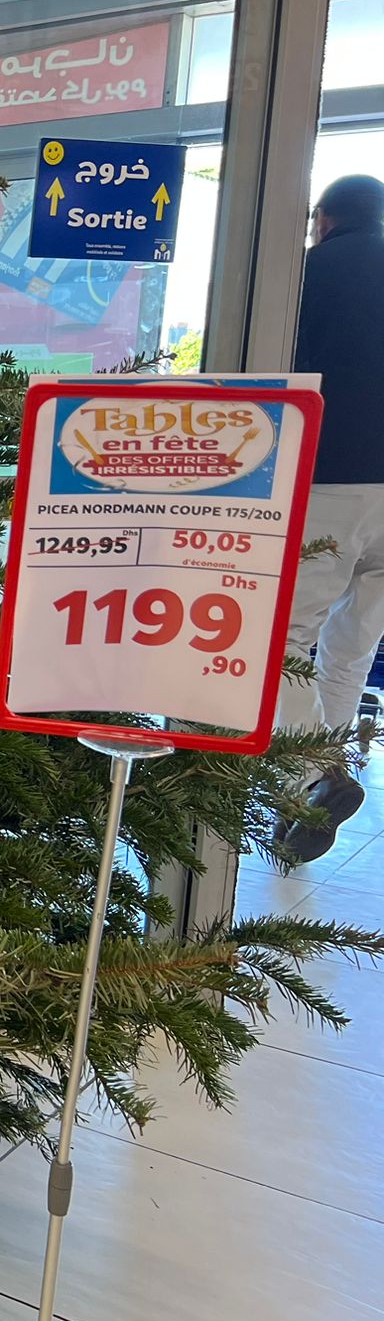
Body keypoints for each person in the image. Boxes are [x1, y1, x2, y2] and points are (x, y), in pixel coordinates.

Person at [277, 173, 384, 860]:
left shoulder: (307, 273)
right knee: (353, 644)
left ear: (323, 219)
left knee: (286, 640)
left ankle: (313, 775)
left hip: (333, 477)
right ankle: (312, 789)